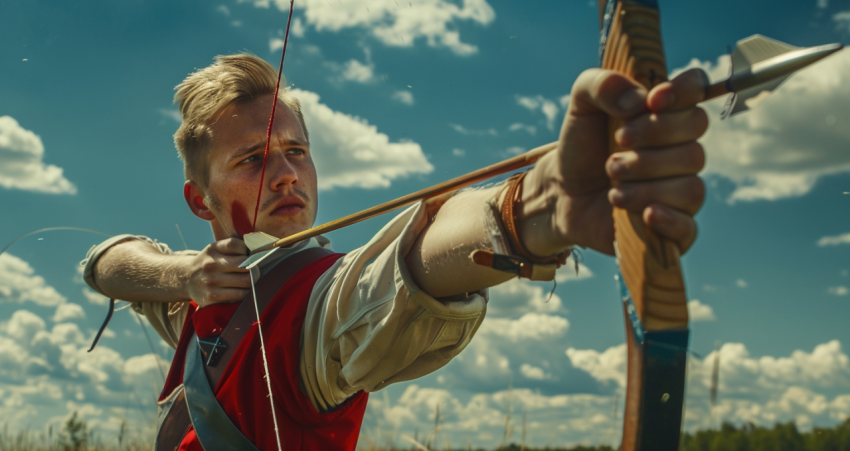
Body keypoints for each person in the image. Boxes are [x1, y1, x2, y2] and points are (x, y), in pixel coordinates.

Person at [81, 54, 707, 450]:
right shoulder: (201, 296)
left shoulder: (315, 304)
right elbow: (107, 262)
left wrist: (541, 206)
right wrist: (182, 274)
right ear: (200, 201)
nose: (286, 174)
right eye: (251, 159)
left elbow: (410, 263)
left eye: (297, 150)